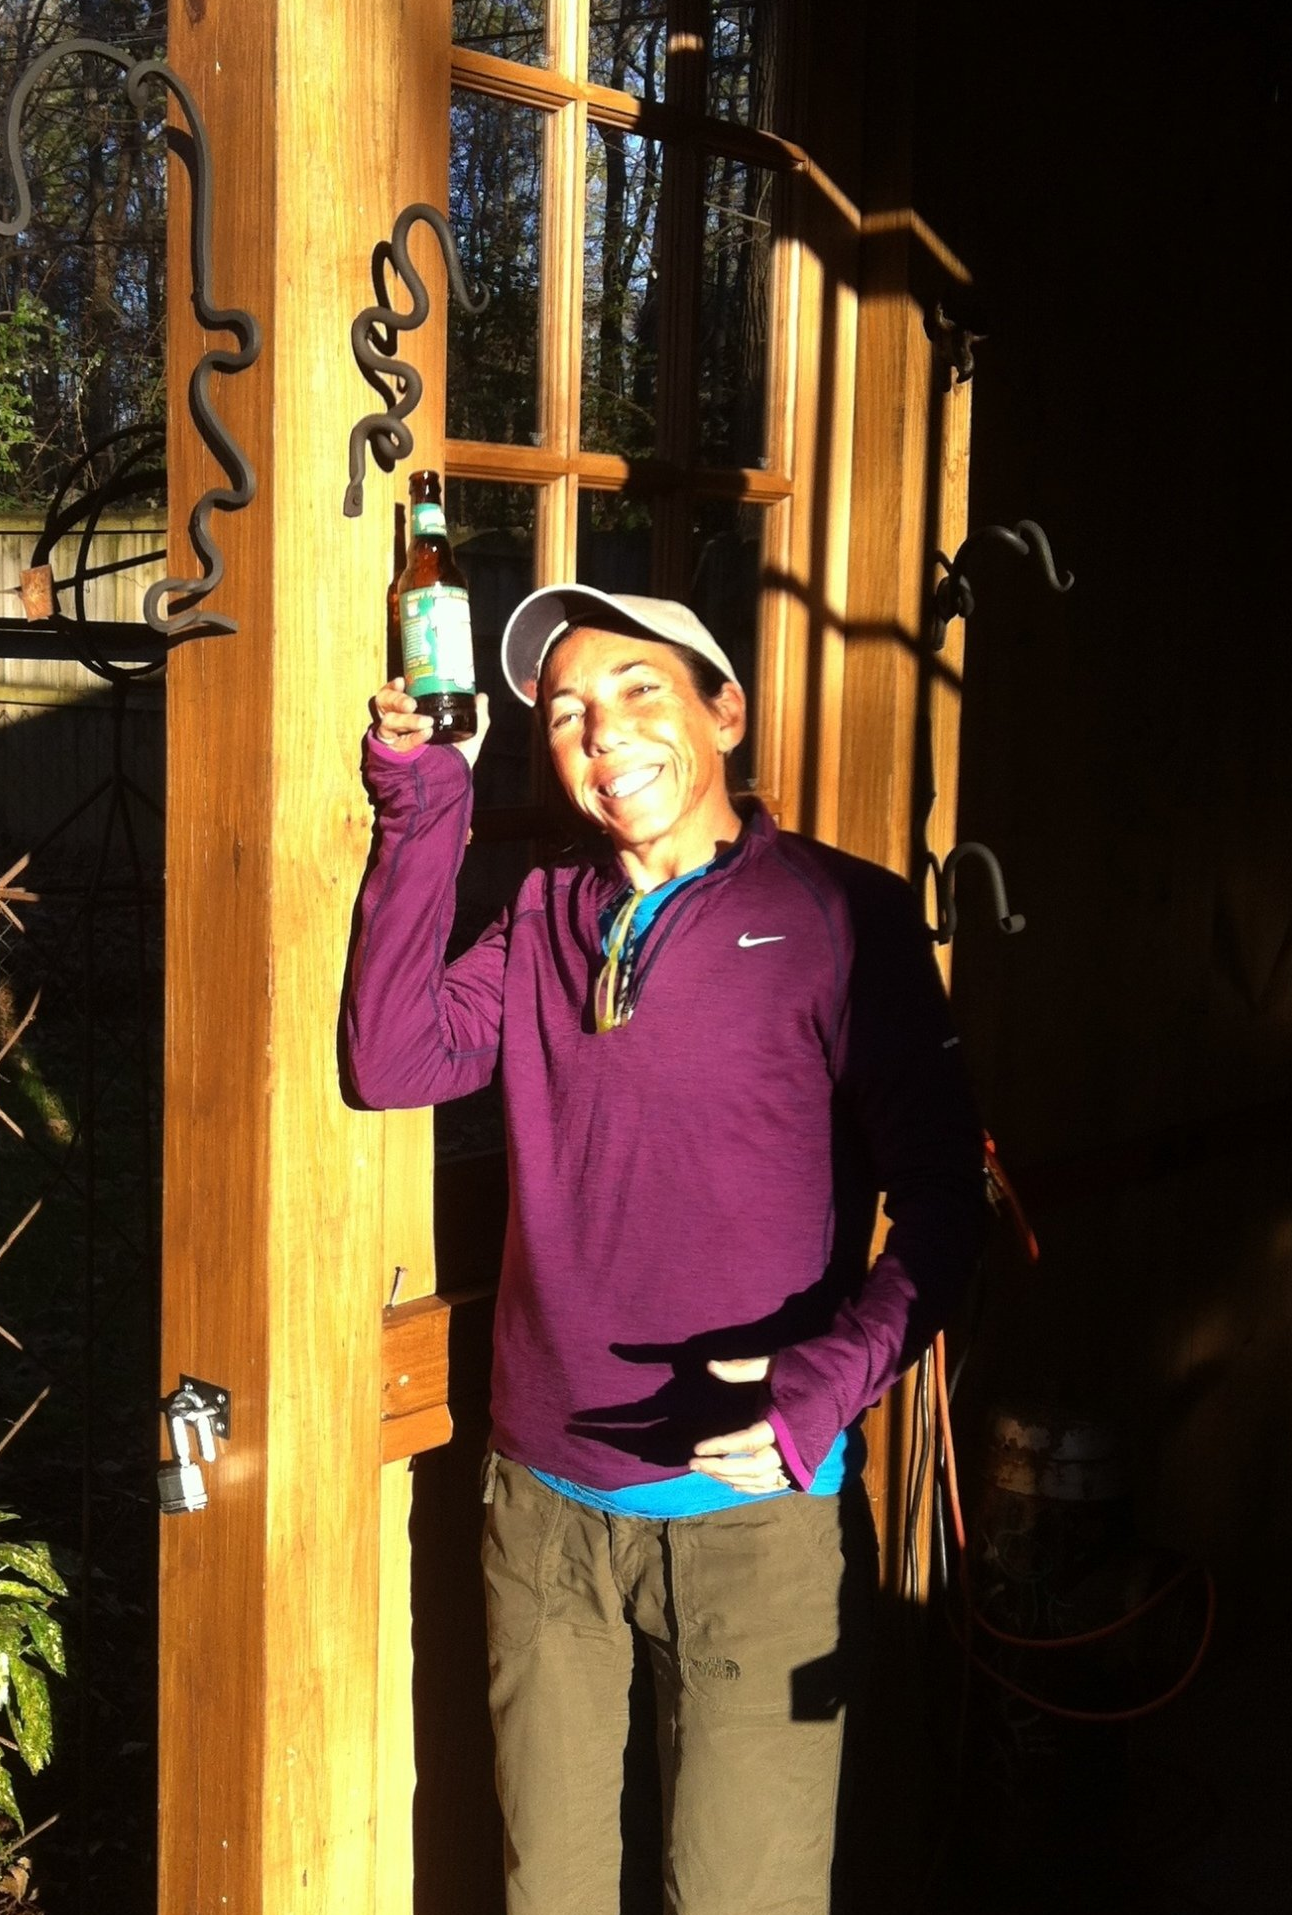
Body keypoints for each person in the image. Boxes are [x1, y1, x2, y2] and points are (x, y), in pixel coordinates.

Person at [344, 585, 986, 1915]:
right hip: (544, 1513)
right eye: (568, 710)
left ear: (724, 711)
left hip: (754, 1524)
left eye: (640, 689)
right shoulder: (543, 920)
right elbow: (390, 1055)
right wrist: (423, 804)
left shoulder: (840, 920)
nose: (602, 731)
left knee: (737, 1897)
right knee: (552, 1892)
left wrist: (833, 1378)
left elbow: (942, 1209)